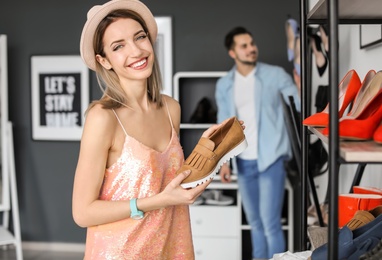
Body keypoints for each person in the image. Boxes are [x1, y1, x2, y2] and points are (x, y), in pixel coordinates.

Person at [71, 1, 225, 258]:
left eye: (139, 37)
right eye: (118, 46)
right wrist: (157, 202)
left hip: (172, 247)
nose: (136, 50)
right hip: (121, 252)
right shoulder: (104, 118)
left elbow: (169, 184)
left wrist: (207, 153)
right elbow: (82, 212)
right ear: (104, 61)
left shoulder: (170, 108)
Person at [215, 26, 300, 259]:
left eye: (252, 43)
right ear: (233, 53)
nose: (251, 49)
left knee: (270, 222)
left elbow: (298, 106)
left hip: (270, 158)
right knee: (255, 223)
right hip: (243, 162)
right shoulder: (224, 84)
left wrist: (300, 79)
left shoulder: (275, 75)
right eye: (244, 46)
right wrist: (223, 162)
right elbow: (224, 125)